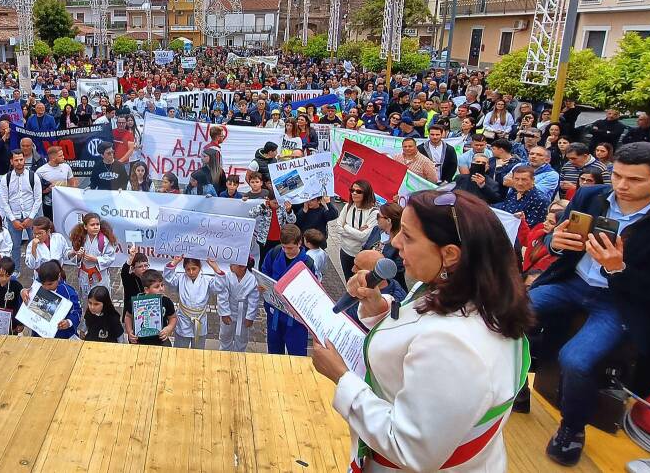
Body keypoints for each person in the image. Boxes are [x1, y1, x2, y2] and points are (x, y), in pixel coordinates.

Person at [310, 190, 533, 472]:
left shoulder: (454, 346)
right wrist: (378, 308)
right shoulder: (459, 289)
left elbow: (409, 448)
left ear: (450, 253)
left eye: (408, 236)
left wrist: (341, 378)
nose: (395, 243)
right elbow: (415, 328)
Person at [525, 142, 650, 465]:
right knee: (507, 316)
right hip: (572, 282)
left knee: (576, 360)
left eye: (635, 180)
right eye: (617, 176)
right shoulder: (590, 196)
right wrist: (554, 243)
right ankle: (516, 387)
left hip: (618, 301)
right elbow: (557, 239)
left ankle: (572, 428)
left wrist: (619, 270)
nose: (622, 186)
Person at [260, 224, 311, 356]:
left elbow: (312, 292)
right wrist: (262, 285)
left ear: (300, 243)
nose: (286, 250)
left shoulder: (308, 263)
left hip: (295, 319)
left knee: (297, 355)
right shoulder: (274, 253)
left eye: (290, 248)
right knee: (274, 352)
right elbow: (265, 273)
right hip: (275, 314)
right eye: (284, 247)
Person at [163, 256, 226, 349]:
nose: (191, 272)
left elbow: (219, 286)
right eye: (188, 269)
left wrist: (215, 267)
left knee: (198, 349)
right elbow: (168, 279)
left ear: (199, 267)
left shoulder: (207, 280)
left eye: (194, 269)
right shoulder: (180, 279)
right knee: (180, 349)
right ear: (184, 269)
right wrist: (175, 262)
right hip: (184, 318)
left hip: (199, 319)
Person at [329, 180, 379, 282]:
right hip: (345, 251)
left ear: (366, 193)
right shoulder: (348, 206)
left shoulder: (373, 213)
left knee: (360, 283)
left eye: (358, 191)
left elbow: (364, 237)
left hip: (360, 255)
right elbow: (337, 227)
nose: (354, 193)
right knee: (349, 282)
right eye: (352, 190)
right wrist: (356, 231)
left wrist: (346, 227)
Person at [0, 150, 43, 263]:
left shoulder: (34, 177)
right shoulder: (6, 178)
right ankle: (15, 269)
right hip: (14, 216)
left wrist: (31, 218)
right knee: (14, 245)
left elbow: (38, 199)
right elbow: (4, 201)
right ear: (11, 161)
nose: (19, 162)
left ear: (24, 160)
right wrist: (13, 220)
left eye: (21, 159)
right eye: (16, 160)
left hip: (32, 215)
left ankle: (37, 268)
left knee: (37, 243)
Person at [66, 213, 118, 300]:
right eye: (92, 225)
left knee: (101, 299)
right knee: (87, 299)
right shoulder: (80, 239)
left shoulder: (104, 240)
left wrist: (96, 259)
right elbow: (74, 256)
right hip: (85, 274)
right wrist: (78, 256)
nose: (96, 227)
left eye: (97, 224)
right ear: (85, 227)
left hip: (99, 275)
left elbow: (110, 257)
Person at [29, 260, 81, 340]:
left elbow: (77, 311)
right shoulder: (36, 288)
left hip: (63, 336)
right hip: (39, 334)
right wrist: (23, 293)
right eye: (43, 284)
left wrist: (69, 322)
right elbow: (27, 304)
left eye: (50, 284)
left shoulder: (69, 292)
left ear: (59, 277)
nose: (46, 287)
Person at [124, 268, 177, 346]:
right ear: (146, 290)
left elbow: (173, 317)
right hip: (139, 341)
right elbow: (128, 316)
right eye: (157, 287)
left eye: (162, 285)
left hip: (161, 340)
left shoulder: (166, 302)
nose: (161, 289)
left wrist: (169, 329)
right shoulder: (136, 302)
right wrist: (129, 331)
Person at [216, 261, 260, 353]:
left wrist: (250, 317)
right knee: (225, 334)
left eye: (232, 264)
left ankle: (239, 353)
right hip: (229, 310)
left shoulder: (252, 279)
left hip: (243, 313)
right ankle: (224, 351)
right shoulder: (227, 276)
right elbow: (222, 295)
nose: (230, 265)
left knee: (242, 336)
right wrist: (224, 313)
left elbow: (254, 300)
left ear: (242, 266)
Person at [35, 144, 76, 219]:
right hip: (48, 204)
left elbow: (72, 184)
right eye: (60, 156)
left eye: (62, 155)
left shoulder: (66, 167)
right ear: (53, 158)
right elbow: (36, 190)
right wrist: (48, 189)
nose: (63, 157)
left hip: (64, 202)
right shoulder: (40, 171)